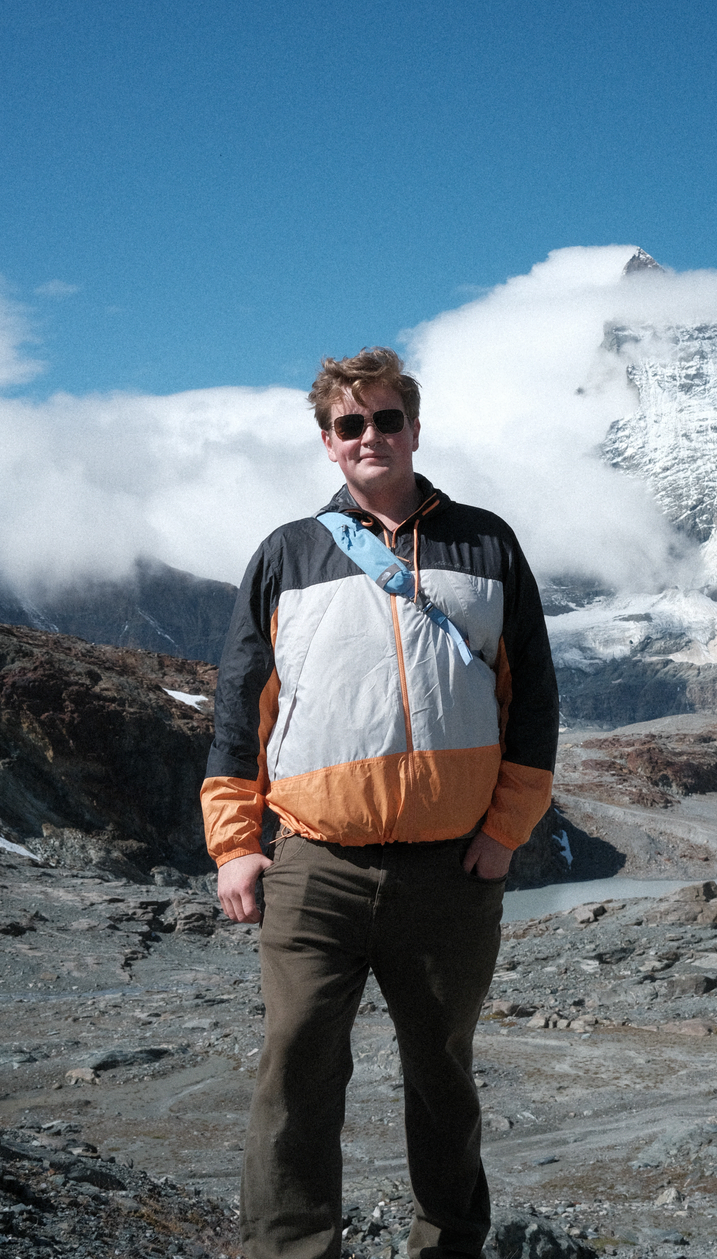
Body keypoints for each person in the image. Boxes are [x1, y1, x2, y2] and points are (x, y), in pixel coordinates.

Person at [201, 346, 559, 1259]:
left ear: (413, 428)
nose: (370, 437)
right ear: (327, 442)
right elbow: (244, 707)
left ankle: (447, 1247)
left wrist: (504, 832)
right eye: (349, 424)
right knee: (295, 1072)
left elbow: (534, 702)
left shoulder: (486, 543)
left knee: (443, 1074)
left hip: (452, 866)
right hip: (315, 863)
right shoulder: (287, 554)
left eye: (386, 419)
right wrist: (236, 843)